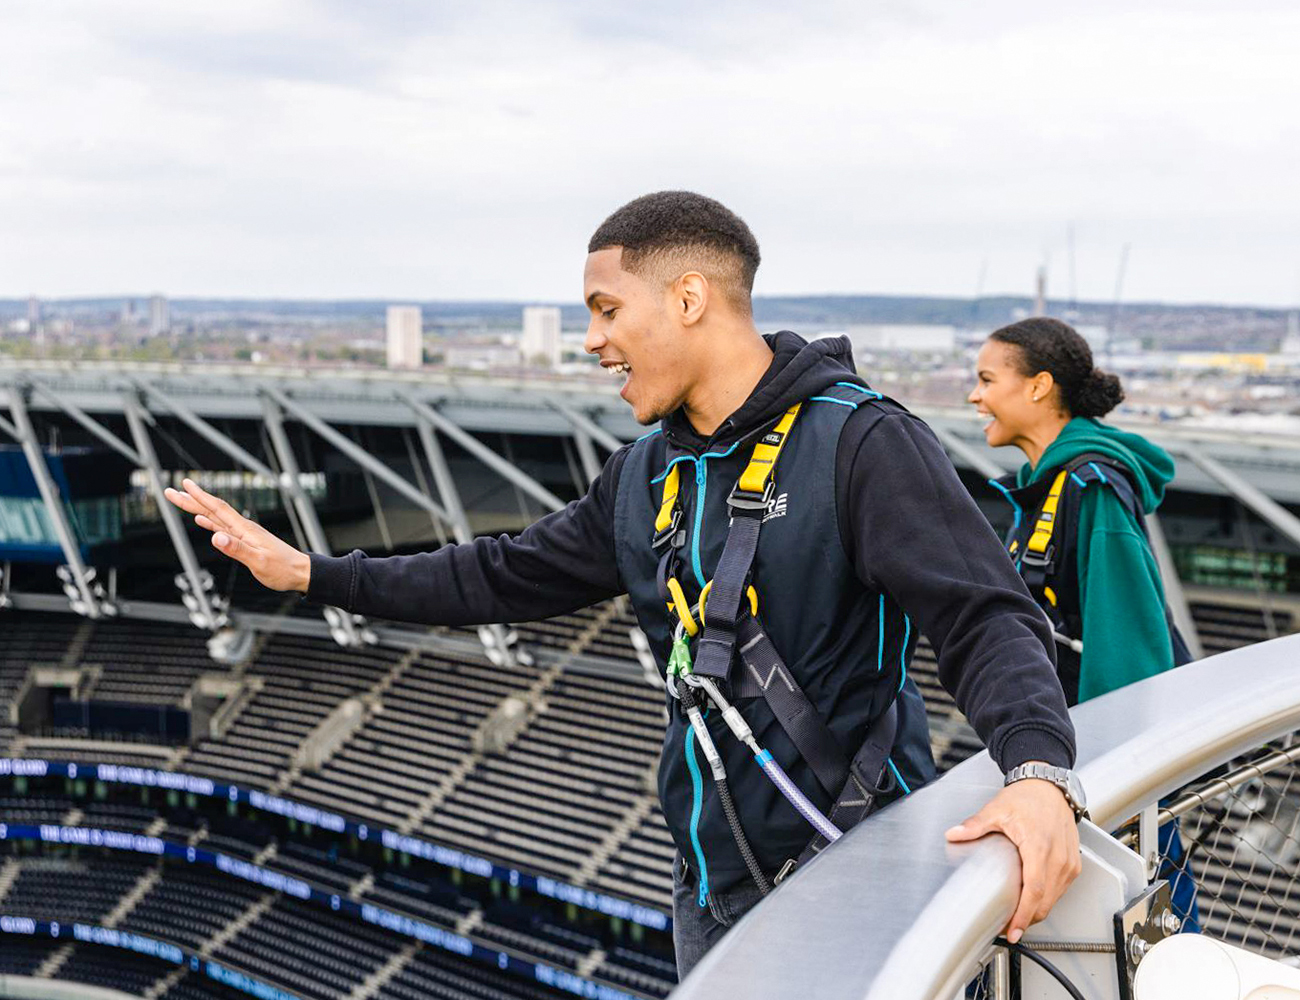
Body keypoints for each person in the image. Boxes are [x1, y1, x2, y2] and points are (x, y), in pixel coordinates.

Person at [165, 192, 1087, 977]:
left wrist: (1038, 771)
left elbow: (984, 616)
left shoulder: (861, 442)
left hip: (860, 880)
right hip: (708, 894)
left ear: (689, 298)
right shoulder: (646, 472)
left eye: (607, 310)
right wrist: (313, 573)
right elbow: (504, 574)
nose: (594, 341)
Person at [969, 316, 1200, 929]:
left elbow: (1130, 648)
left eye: (988, 379)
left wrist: (1110, 784)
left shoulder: (1089, 489)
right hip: (1087, 774)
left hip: (1111, 786)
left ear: (1039, 387)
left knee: (1154, 948)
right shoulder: (1049, 488)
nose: (975, 396)